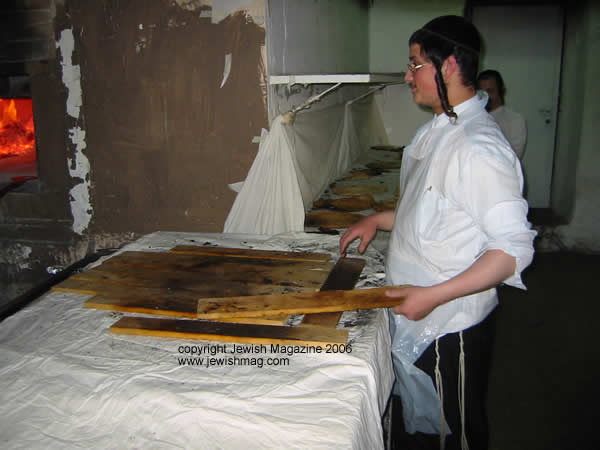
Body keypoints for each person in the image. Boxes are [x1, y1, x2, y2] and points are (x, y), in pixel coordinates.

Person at [339, 15, 536, 450]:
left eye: (414, 65)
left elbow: (511, 250)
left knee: (458, 430)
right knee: (421, 427)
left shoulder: (478, 147)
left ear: (447, 66)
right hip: (417, 310)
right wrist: (377, 218)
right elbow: (425, 209)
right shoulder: (439, 130)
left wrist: (433, 295)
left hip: (451, 323)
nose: (408, 76)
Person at [477, 69, 527, 159]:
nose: (486, 97)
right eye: (482, 93)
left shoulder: (515, 120)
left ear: (502, 91)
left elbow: (514, 157)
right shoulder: (473, 118)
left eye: (490, 91)